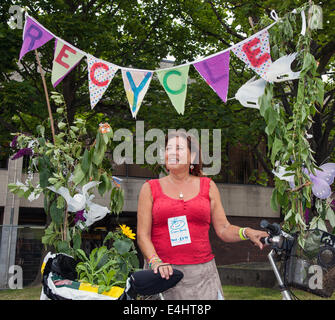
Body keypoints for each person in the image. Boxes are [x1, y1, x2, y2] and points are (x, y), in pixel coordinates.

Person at [136, 131, 269, 300]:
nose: (171, 153)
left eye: (178, 148)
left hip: (202, 279)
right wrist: (156, 262)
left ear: (192, 157)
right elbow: (142, 235)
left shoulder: (208, 186)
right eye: (168, 149)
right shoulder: (150, 188)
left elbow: (224, 229)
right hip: (163, 275)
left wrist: (247, 232)